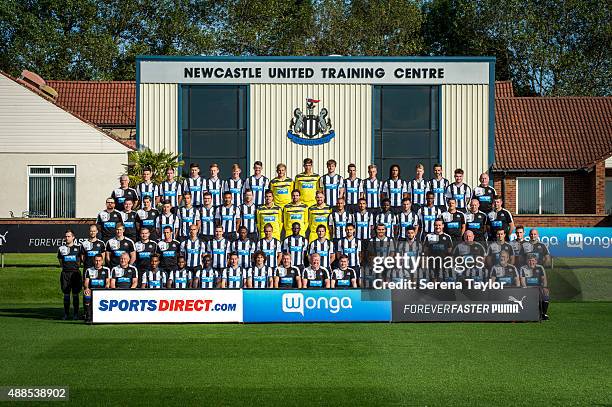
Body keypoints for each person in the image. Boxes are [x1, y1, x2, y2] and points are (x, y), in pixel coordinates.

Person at [57, 229, 82, 320]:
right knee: (66, 295)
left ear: (73, 237)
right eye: (66, 236)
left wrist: (74, 267)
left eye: (69, 236)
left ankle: (75, 314)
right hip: (65, 274)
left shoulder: (78, 248)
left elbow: (80, 261)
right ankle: (66, 314)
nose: (67, 238)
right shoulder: (61, 248)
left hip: (75, 273)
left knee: (75, 295)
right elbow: (60, 262)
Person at [520, 254, 550, 320]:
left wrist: (544, 287)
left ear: (536, 261)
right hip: (528, 288)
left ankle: (543, 314)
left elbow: (544, 279)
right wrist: (526, 289)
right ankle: (527, 313)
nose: (531, 262)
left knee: (546, 291)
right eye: (529, 260)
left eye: (533, 260)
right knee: (524, 290)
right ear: (527, 261)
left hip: (538, 287)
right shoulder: (523, 268)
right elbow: (522, 281)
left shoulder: (540, 267)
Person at [83, 253, 110, 322]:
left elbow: (107, 282)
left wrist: (106, 287)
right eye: (96, 260)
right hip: (92, 290)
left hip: (102, 290)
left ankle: (104, 316)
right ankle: (88, 315)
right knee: (87, 293)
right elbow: (86, 282)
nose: (97, 262)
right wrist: (86, 288)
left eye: (99, 260)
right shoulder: (89, 270)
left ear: (102, 261)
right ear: (93, 261)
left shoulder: (106, 270)